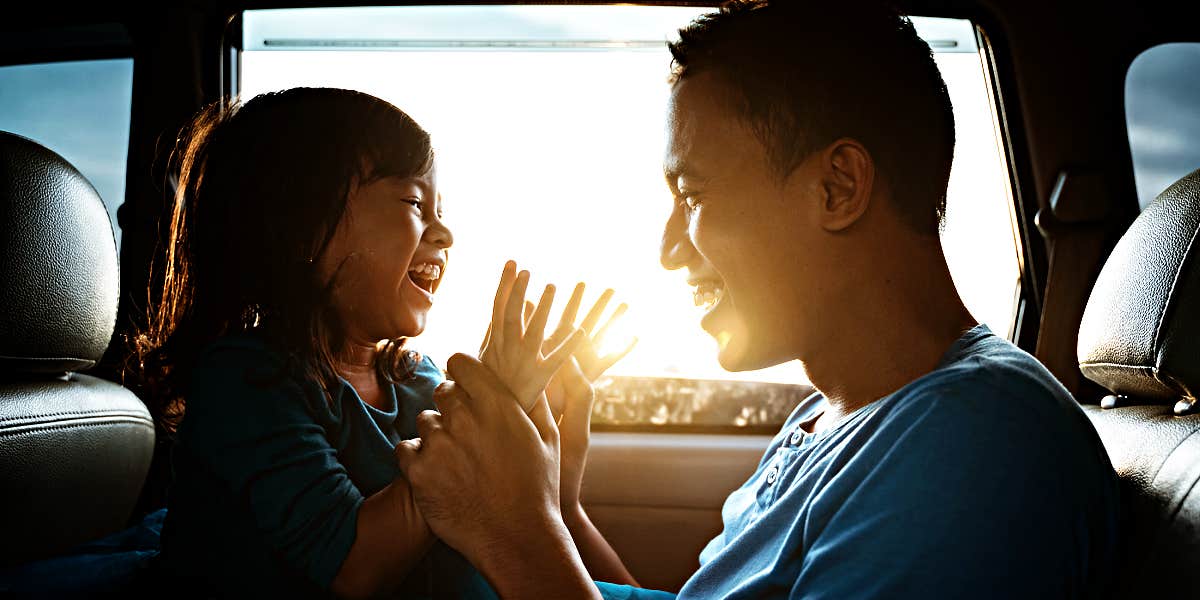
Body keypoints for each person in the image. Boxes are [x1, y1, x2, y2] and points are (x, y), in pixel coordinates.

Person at [394, 2, 1121, 598]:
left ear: (838, 188)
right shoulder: (835, 416)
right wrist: (557, 513)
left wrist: (515, 536)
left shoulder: (972, 448)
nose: (670, 249)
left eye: (694, 196)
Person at [132, 87, 630, 599]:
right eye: (415, 202)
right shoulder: (244, 381)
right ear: (302, 227)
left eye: (441, 209)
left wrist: (515, 411)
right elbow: (353, 566)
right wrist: (484, 418)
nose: (444, 234)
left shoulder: (416, 376)